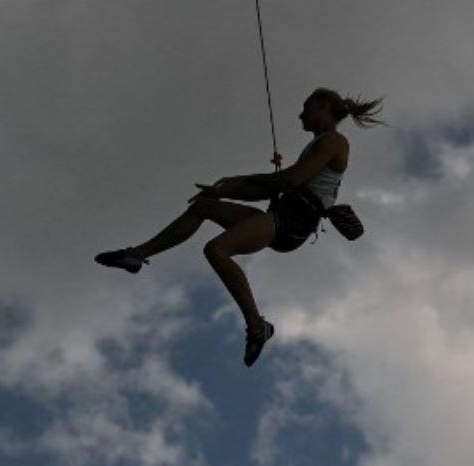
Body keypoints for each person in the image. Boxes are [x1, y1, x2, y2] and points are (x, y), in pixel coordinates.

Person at [95, 88, 383, 366]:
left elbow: (289, 180)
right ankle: (136, 255)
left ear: (322, 106)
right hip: (282, 216)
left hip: (290, 224)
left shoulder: (334, 141)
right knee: (203, 207)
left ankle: (258, 327)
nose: (299, 115)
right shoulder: (319, 143)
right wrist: (223, 189)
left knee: (217, 249)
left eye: (306, 107)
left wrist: (232, 184)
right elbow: (271, 186)